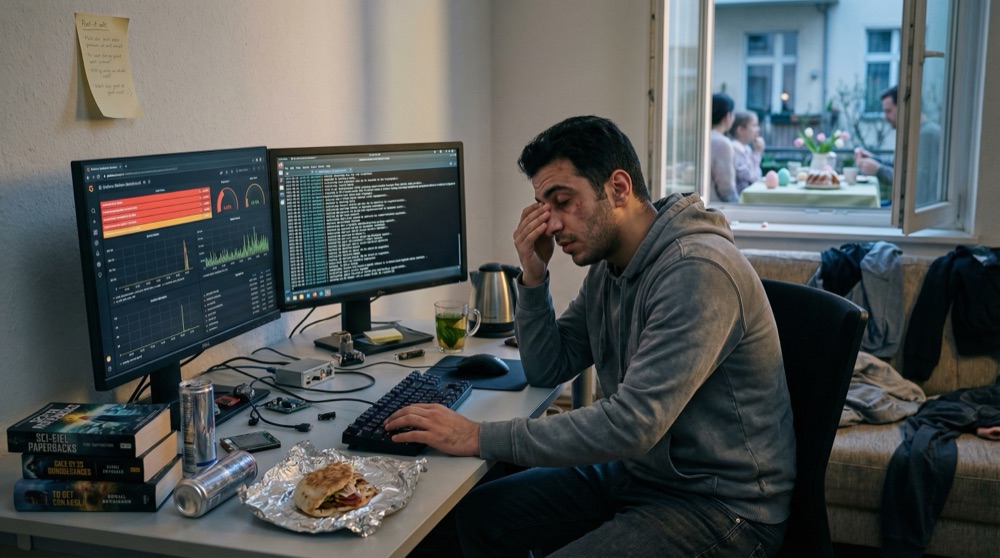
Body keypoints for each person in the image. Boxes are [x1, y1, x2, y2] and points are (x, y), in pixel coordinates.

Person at [384, 115, 796, 557]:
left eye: (563, 201)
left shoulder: (696, 271)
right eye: (543, 207)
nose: (552, 224)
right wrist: (533, 275)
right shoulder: (609, 266)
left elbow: (632, 423)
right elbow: (548, 367)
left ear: (618, 188)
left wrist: (478, 436)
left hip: (719, 505)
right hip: (641, 474)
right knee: (476, 515)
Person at [854, 85, 941, 205]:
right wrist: (873, 158)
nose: (884, 116)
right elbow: (901, 168)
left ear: (906, 108)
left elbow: (914, 184)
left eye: (888, 111)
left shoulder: (926, 136)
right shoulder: (915, 132)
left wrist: (878, 170)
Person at [710, 93, 738, 201]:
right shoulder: (722, 143)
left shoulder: (699, 138)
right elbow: (726, 190)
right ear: (727, 116)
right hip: (715, 210)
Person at [730, 110, 765, 193]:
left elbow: (757, 175)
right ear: (741, 130)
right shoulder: (735, 149)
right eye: (754, 125)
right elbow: (750, 177)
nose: (758, 129)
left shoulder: (747, 149)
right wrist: (757, 153)